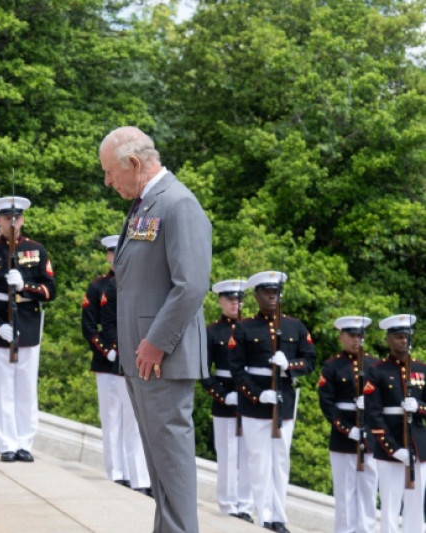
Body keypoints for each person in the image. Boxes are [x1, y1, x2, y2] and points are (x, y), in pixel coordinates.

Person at [98, 126, 211, 533]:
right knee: (160, 471)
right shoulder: (146, 205)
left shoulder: (178, 203)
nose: (108, 181)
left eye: (111, 172)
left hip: (163, 358)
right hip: (145, 358)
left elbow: (192, 284)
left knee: (173, 469)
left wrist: (156, 344)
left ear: (133, 163)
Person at [229, 270, 316, 533]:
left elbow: (310, 360)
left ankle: (279, 515)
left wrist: (289, 366)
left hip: (285, 403)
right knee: (258, 461)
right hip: (256, 404)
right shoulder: (244, 328)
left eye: (275, 292)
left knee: (281, 461)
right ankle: (263, 514)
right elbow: (237, 368)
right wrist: (257, 394)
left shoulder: (295, 326)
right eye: (266, 293)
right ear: (256, 296)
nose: (272, 297)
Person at [0, 196, 56, 464]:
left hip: (28, 326)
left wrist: (25, 287)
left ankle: (24, 442)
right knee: (2, 389)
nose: (12, 222)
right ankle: (6, 442)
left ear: (23, 219)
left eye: (17, 217)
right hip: (0, 328)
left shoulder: (36, 250)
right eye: (7, 218)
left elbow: (50, 289)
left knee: (26, 389)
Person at [81, 234, 152, 493]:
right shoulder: (97, 287)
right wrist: (106, 350)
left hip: (133, 360)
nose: (116, 258)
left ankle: (139, 478)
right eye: (113, 253)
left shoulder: (139, 285)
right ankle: (117, 472)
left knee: (134, 420)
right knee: (112, 419)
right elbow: (89, 326)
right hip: (107, 361)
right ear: (108, 256)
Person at [318, 316, 378, 533]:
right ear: (341, 336)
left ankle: (366, 530)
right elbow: (326, 403)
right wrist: (347, 429)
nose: (356, 340)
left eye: (360, 335)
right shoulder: (332, 366)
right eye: (351, 335)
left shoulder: (374, 365)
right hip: (344, 438)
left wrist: (369, 405)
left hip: (370, 438)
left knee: (369, 490)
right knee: (344, 491)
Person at [201, 279, 254, 523]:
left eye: (239, 299)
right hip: (226, 398)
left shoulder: (251, 330)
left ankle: (245, 504)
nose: (236, 304)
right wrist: (223, 396)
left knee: (248, 455)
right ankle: (228, 503)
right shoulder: (213, 332)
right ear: (220, 301)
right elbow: (204, 371)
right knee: (228, 454)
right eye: (231, 299)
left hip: (251, 399)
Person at [364, 314, 423, 533]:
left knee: (416, 504)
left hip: (418, 445)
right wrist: (393, 448)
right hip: (390, 446)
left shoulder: (422, 369)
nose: (403, 341)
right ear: (388, 339)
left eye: (406, 337)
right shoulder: (378, 371)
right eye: (398, 337)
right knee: (390, 503)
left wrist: (419, 407)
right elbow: (373, 413)